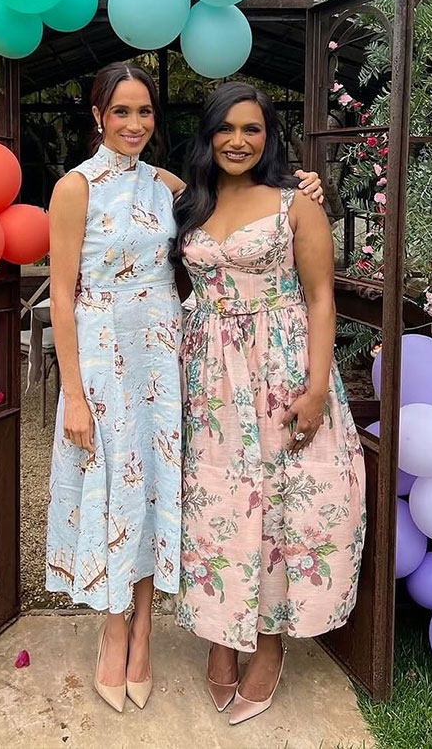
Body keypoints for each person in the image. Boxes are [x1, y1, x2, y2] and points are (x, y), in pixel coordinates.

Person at [45, 63, 323, 713]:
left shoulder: (167, 185)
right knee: (111, 485)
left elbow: (237, 195)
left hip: (167, 358)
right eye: (121, 112)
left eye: (144, 112)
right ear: (97, 116)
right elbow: (60, 296)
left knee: (156, 489)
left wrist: (301, 184)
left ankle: (143, 631)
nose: (134, 124)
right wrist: (75, 395)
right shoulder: (74, 188)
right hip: (104, 360)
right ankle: (113, 628)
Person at [172, 81, 366, 726]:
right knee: (214, 503)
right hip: (209, 378)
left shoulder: (295, 204)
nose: (238, 141)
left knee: (283, 506)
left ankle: (270, 641)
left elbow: (321, 298)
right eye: (225, 128)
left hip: (281, 370)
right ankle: (221, 634)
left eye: (251, 129)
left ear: (269, 136)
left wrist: (316, 390)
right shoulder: (187, 202)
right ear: (207, 135)